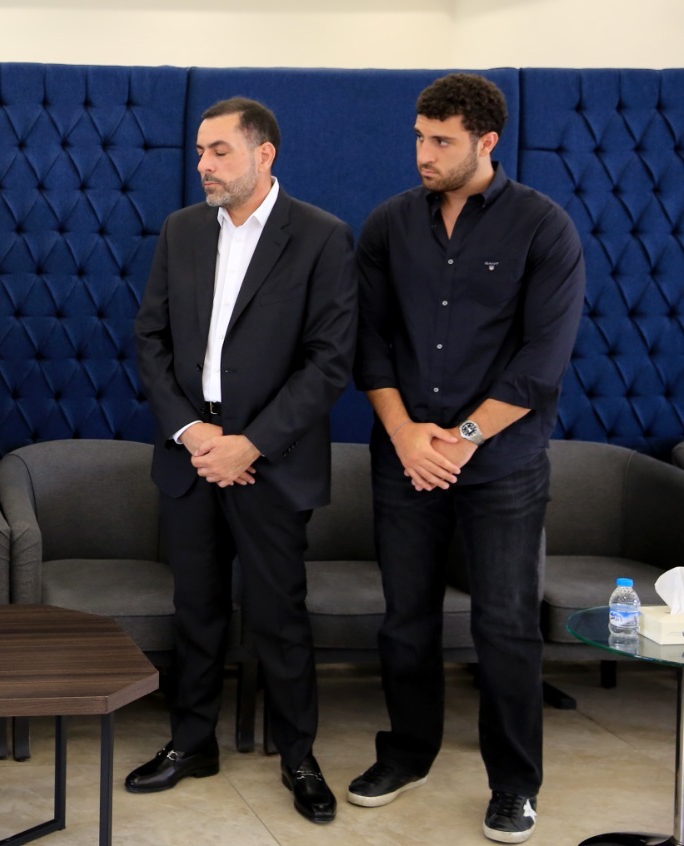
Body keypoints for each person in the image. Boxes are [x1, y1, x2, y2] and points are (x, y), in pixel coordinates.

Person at [349, 72, 585, 844]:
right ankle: (407, 755)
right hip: (405, 456)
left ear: (487, 141)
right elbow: (369, 341)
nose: (424, 153)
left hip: (503, 465)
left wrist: (460, 440)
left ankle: (514, 785)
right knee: (405, 622)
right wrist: (406, 435)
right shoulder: (389, 223)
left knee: (507, 627)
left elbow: (541, 362)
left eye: (441, 141)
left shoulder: (544, 227)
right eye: (420, 137)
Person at [130, 97, 355, 824]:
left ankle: (299, 756)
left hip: (271, 459)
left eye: (219, 151)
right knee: (195, 610)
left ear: (265, 155)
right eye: (201, 151)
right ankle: (191, 742)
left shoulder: (321, 236)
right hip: (193, 453)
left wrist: (249, 444)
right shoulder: (182, 230)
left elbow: (329, 362)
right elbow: (151, 340)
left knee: (278, 616)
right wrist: (192, 432)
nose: (203, 165)